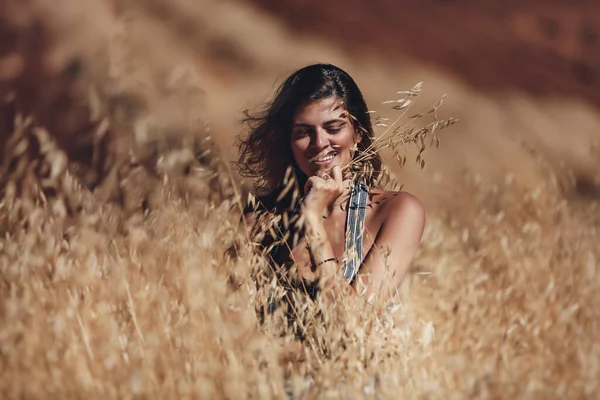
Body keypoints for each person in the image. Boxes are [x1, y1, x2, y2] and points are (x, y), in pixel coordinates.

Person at [237, 63, 425, 312]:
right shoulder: (260, 220)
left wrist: (313, 220)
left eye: (333, 128)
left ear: (358, 133)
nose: (319, 143)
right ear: (288, 143)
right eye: (303, 133)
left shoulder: (396, 211)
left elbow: (354, 322)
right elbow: (233, 327)